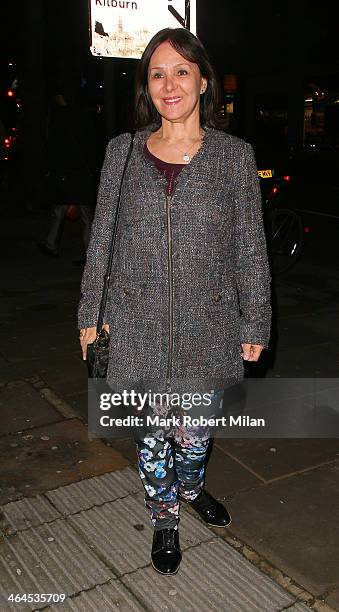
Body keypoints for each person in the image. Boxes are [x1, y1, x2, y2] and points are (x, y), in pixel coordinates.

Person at [78, 28, 271, 576]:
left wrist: (255, 319)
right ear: (147, 85)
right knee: (151, 438)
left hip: (208, 325)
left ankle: (191, 487)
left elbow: (250, 248)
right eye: (157, 73)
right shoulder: (122, 152)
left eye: (181, 71)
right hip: (134, 324)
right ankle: (164, 518)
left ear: (203, 81)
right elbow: (102, 242)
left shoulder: (235, 157)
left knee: (193, 437)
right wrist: (89, 316)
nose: (169, 84)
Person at [38, 93, 97, 259]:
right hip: (81, 173)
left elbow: (56, 147)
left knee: (67, 210)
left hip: (71, 173)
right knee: (81, 213)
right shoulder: (82, 117)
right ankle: (87, 253)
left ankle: (54, 245)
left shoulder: (61, 119)